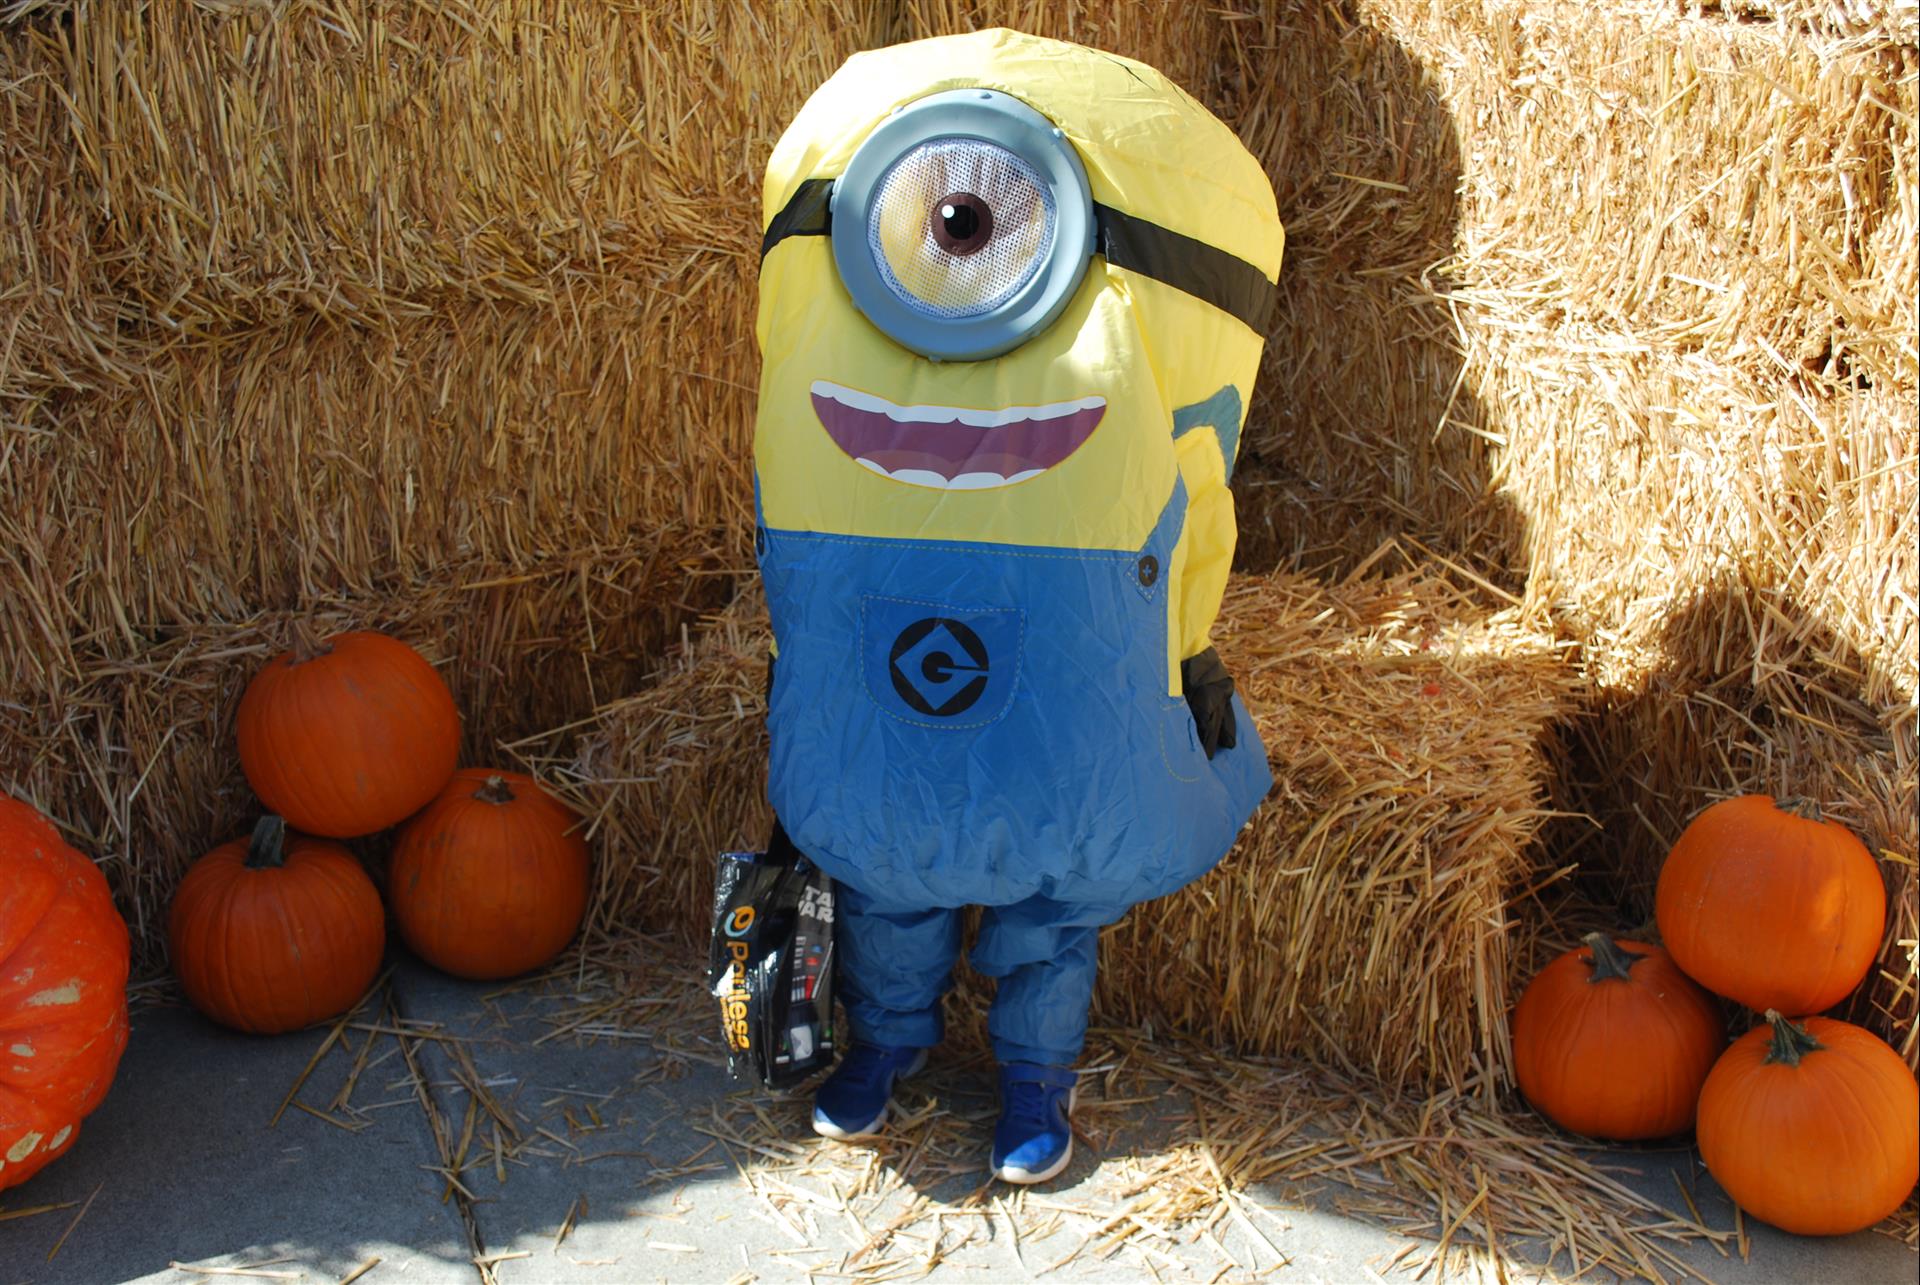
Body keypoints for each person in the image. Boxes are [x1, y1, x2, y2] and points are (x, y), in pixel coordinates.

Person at [751, 27, 1281, 1184]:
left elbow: (1196, 504)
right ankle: (887, 1039)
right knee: (887, 862)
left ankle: (1037, 1074)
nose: (961, 230)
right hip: (876, 643)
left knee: (1060, 880)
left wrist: (1185, 657)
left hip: (1073, 672)